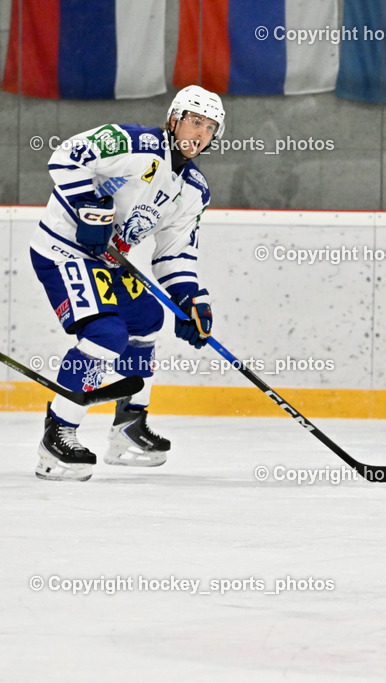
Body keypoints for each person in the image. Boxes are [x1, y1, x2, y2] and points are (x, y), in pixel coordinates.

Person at [31, 85, 223, 482]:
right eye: (194, 120)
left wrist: (191, 299)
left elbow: (174, 254)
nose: (200, 133)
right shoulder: (134, 143)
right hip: (62, 251)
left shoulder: (193, 191)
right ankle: (58, 433)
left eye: (209, 127)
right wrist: (91, 208)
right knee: (106, 333)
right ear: (174, 119)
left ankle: (128, 426)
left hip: (108, 261)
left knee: (149, 319)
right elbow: (67, 155)